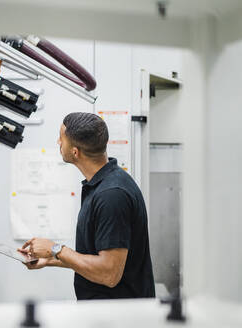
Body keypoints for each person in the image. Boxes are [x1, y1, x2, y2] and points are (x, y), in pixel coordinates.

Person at [19, 112, 155, 300]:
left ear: (75, 152)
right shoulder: (103, 185)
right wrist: (51, 259)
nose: (58, 142)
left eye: (61, 138)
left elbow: (109, 274)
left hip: (121, 318)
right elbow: (95, 260)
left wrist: (56, 249)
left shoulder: (111, 196)